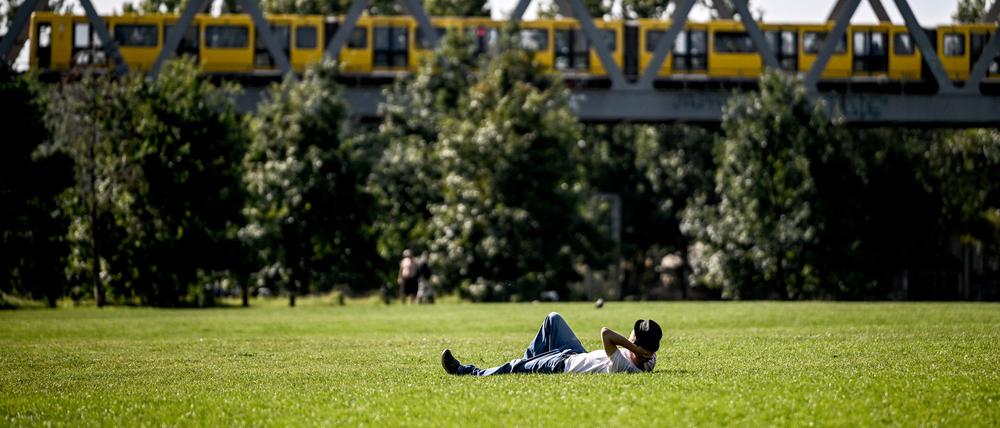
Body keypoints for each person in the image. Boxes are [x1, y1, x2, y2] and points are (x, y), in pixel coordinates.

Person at [441, 312, 661, 376]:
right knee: (553, 319)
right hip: (576, 353)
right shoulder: (649, 359)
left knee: (515, 366)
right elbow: (647, 355)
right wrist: (640, 350)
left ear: (637, 346)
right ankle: (528, 364)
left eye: (633, 335)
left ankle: (466, 371)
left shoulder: (625, 366)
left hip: (561, 364)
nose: (630, 333)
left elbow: (606, 333)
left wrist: (634, 348)